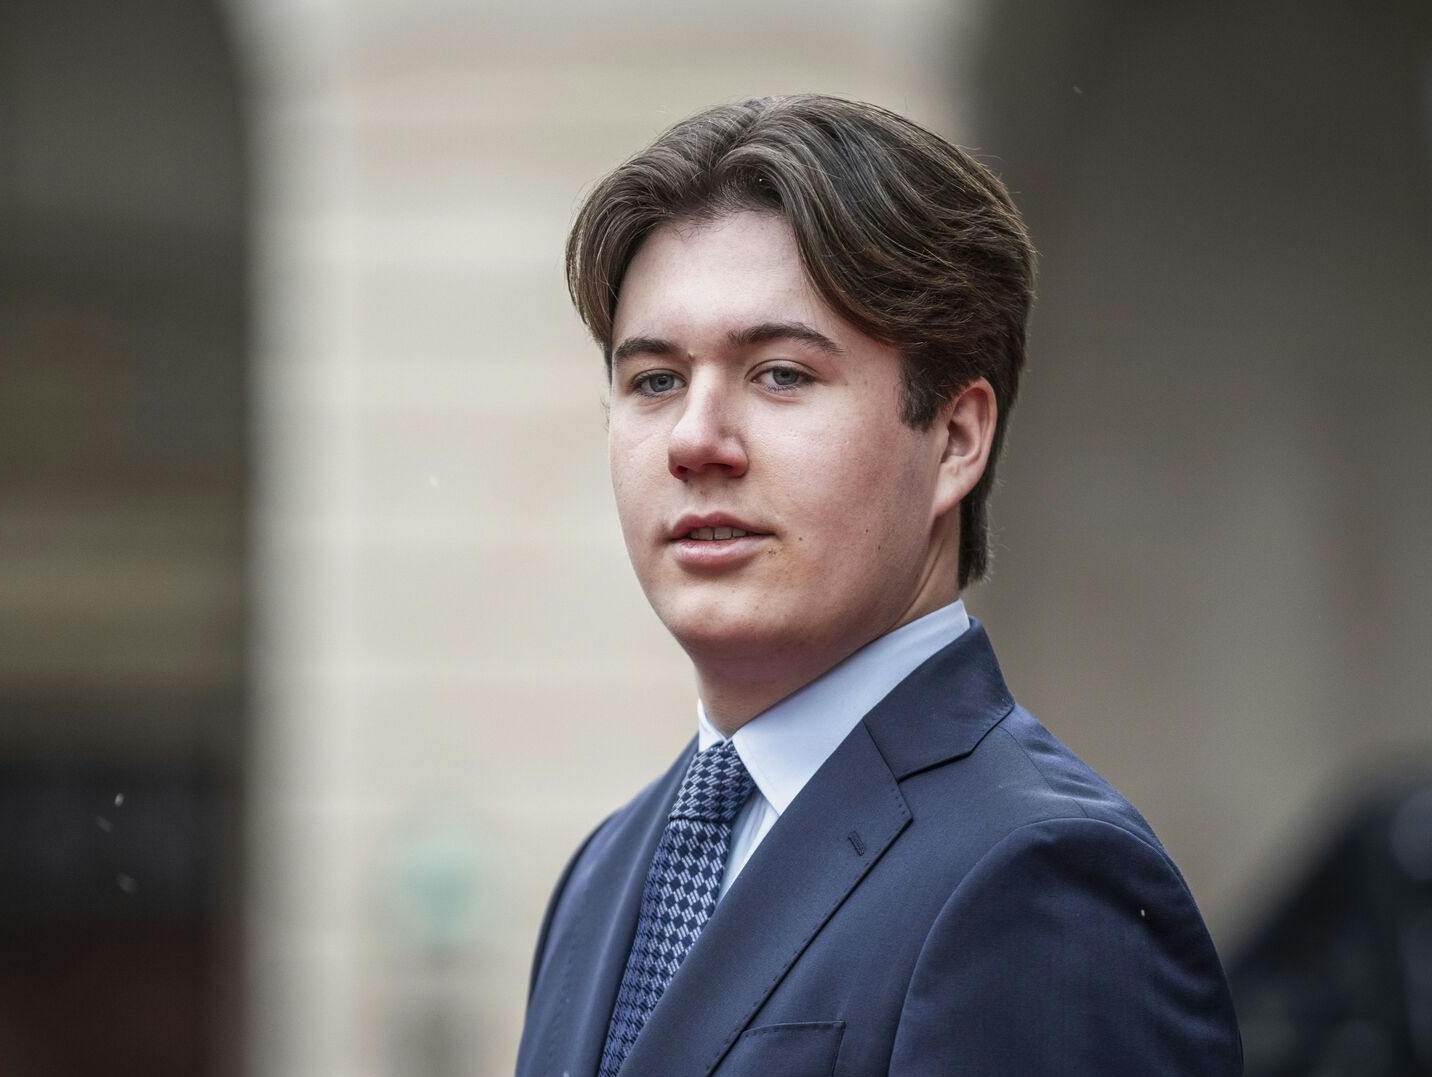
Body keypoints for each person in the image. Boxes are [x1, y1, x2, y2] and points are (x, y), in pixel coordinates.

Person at [514, 95, 1242, 1076]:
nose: (695, 439)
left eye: (779, 374)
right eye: (654, 380)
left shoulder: (1042, 882)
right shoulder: (604, 875)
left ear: (955, 438)